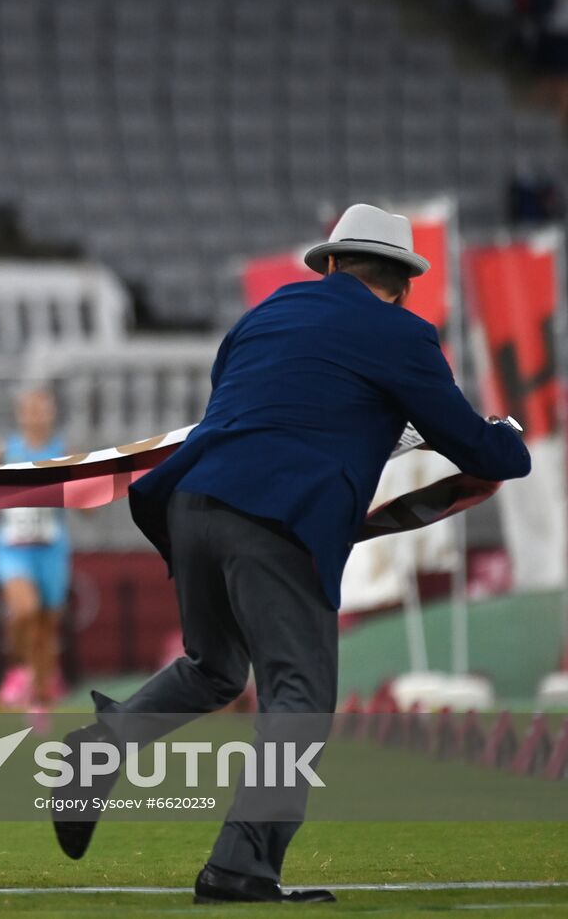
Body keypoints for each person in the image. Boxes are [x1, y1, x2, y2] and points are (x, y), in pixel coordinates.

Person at [51, 204, 531, 904]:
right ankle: (241, 865)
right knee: (299, 696)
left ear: (332, 263)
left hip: (192, 500)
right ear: (402, 284)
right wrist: (508, 440)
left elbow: (241, 397)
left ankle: (102, 744)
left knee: (214, 668)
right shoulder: (404, 335)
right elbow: (475, 447)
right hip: (274, 517)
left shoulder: (268, 313)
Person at [0, 387, 71, 712]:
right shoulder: (3, 450)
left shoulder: (65, 451)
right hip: (12, 546)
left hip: (51, 547)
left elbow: (86, 503)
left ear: (51, 412)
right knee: (24, 610)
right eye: (30, 408)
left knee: (47, 625)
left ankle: (40, 700)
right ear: (20, 414)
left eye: (42, 408)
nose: (36, 414)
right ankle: (18, 671)